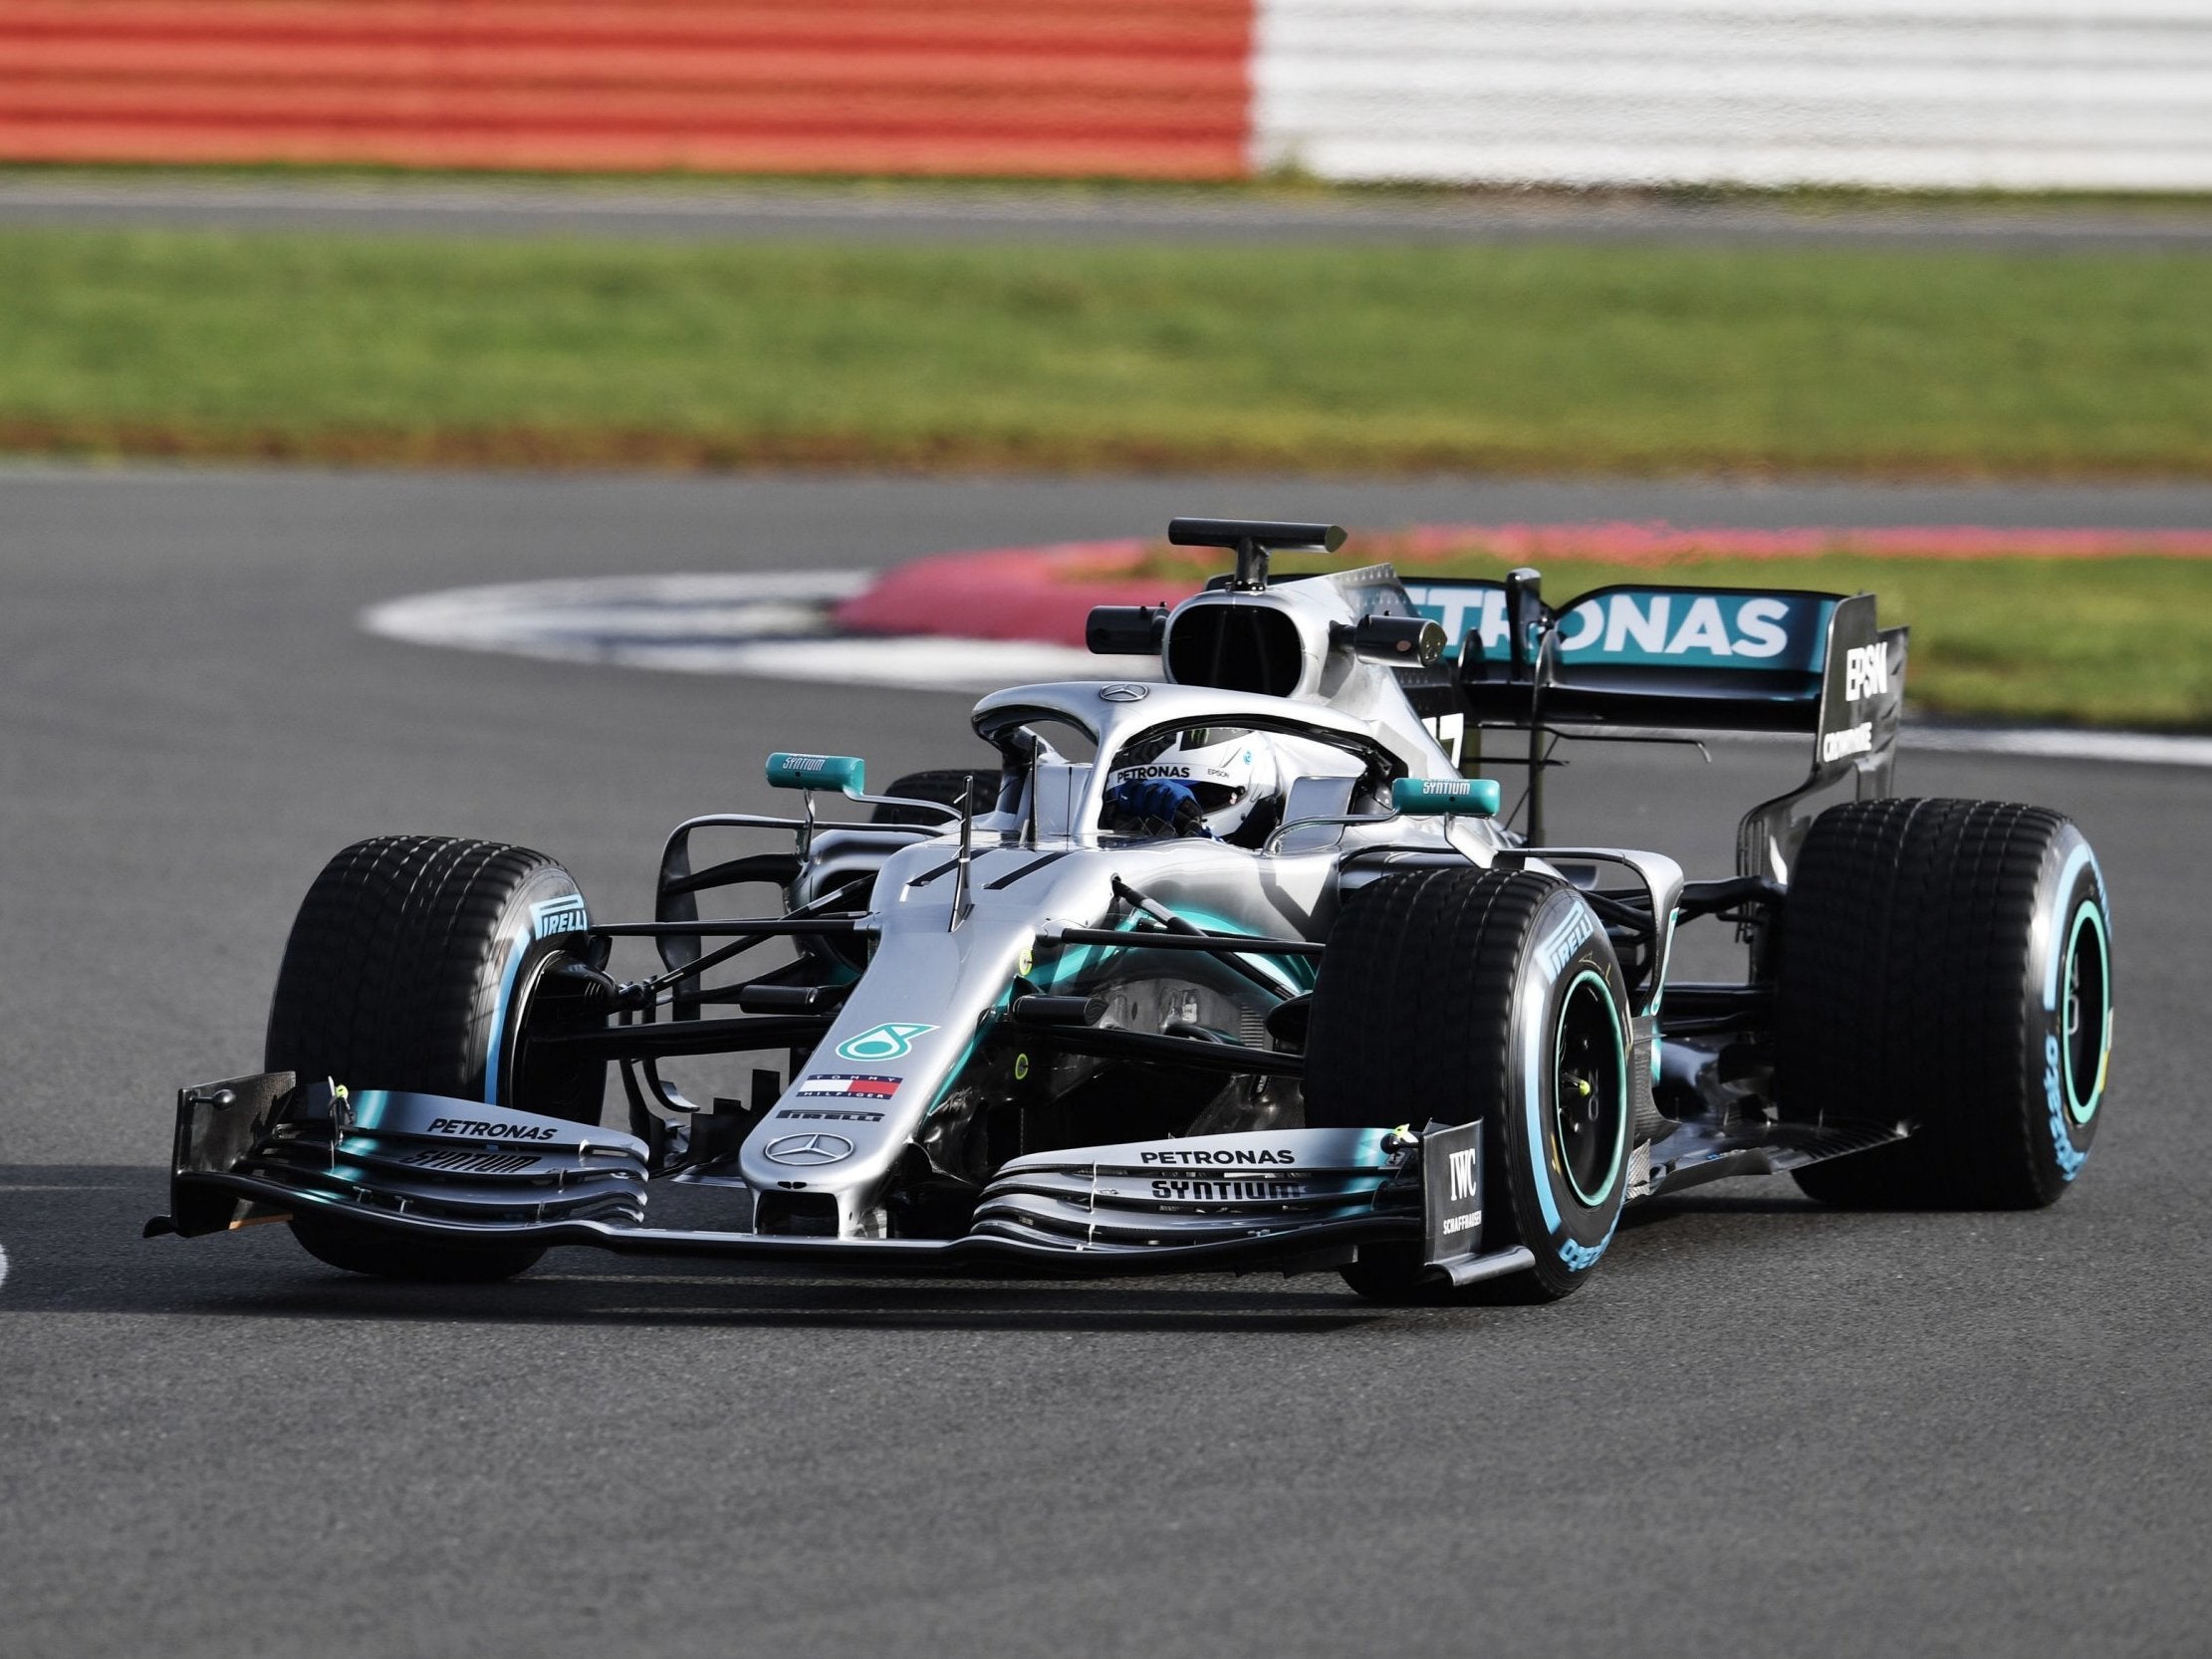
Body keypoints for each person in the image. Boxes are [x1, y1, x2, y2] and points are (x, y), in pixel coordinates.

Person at [1099, 728, 1284, 848]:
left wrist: (1195, 832)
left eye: (1200, 793)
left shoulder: (1283, 863)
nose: (1159, 811)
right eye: (1140, 792)